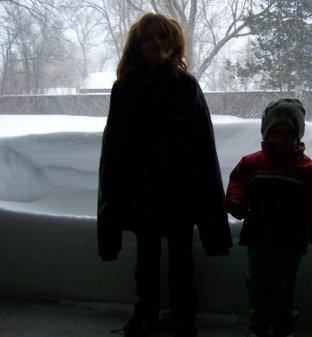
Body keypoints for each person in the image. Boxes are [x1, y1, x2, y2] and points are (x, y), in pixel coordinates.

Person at [97, 12, 232, 337]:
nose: (156, 43)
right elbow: (114, 148)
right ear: (137, 45)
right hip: (142, 194)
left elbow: (202, 145)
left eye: (163, 37)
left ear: (174, 44)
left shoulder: (186, 87)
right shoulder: (126, 89)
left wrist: (207, 201)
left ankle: (184, 316)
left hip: (180, 194)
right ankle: (146, 314)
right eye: (148, 38)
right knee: (146, 262)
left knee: (182, 260)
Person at [225, 98, 312, 337]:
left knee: (285, 287)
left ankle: (284, 325)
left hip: (290, 242)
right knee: (258, 285)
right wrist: (236, 201)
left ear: (299, 136)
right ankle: (258, 324)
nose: (282, 139)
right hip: (258, 239)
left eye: (289, 133)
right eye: (276, 132)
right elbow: (237, 182)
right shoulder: (252, 163)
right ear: (266, 133)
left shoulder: (307, 169)